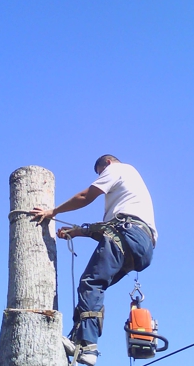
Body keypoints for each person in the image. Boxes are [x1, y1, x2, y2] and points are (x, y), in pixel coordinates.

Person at [31, 154, 157, 366]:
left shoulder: (118, 169)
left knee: (91, 283)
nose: (101, 176)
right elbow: (110, 228)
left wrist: (53, 211)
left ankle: (87, 346)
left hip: (128, 234)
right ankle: (78, 338)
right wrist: (78, 232)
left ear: (107, 163)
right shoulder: (132, 193)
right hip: (143, 247)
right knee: (95, 287)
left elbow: (86, 196)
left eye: (100, 172)